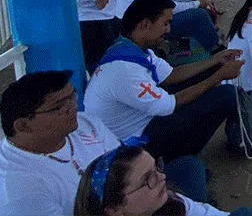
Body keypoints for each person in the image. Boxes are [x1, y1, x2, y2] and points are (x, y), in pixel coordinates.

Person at [0, 71, 210, 216]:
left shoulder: (84, 123)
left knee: (189, 168)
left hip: (136, 201)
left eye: (71, 97)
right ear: (23, 126)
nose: (72, 107)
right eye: (59, 107)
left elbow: (123, 163)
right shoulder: (17, 189)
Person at [84, 0, 242, 162]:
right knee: (227, 95)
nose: (168, 30)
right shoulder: (124, 71)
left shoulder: (133, 49)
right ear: (145, 25)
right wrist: (219, 76)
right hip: (134, 144)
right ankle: (176, 158)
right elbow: (169, 105)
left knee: (213, 70)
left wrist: (215, 60)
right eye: (165, 23)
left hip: (146, 118)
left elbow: (172, 75)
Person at [74, 144, 252, 216]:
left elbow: (204, 212)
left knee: (190, 167)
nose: (162, 177)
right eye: (148, 179)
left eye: (157, 167)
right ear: (114, 209)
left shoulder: (164, 201)